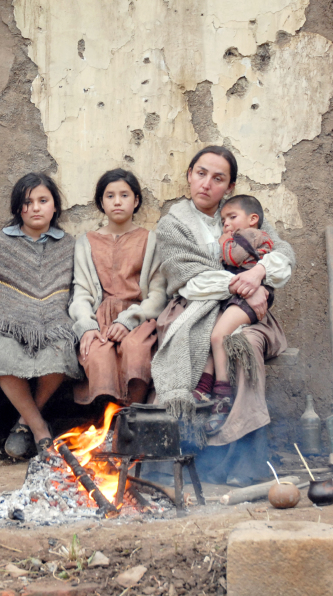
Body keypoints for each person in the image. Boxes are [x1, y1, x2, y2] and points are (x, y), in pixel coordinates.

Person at [150, 146, 295, 486]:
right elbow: (189, 279)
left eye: (218, 179)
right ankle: (190, 458)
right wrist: (242, 284)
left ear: (229, 186)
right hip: (193, 309)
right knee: (190, 345)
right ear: (189, 175)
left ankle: (243, 460)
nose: (206, 184)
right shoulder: (173, 225)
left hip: (246, 314)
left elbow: (283, 254)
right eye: (201, 174)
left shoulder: (241, 213)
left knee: (242, 345)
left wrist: (257, 273)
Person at [0, 173, 81, 459]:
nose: (36, 208)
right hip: (9, 324)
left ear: (55, 206)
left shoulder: (68, 245)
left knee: (61, 352)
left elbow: (72, 290)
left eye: (43, 200)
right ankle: (40, 428)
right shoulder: (1, 243)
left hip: (55, 322)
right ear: (18, 207)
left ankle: (23, 423)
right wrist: (10, 319)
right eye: (28, 202)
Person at [69, 169, 167, 405]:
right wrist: (86, 326)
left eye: (124, 195)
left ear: (136, 201)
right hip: (99, 319)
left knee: (135, 350)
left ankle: (134, 412)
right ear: (101, 202)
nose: (117, 202)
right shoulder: (85, 243)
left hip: (139, 318)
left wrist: (129, 320)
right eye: (110, 196)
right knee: (98, 354)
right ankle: (107, 417)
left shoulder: (150, 240)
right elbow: (81, 292)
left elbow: (158, 293)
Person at [197, 194, 275, 436]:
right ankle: (204, 384)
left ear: (253, 219)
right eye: (223, 221)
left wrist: (222, 242)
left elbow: (232, 257)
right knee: (210, 332)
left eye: (232, 217)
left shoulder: (252, 236)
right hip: (237, 297)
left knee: (218, 335)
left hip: (247, 299)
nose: (226, 224)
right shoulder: (240, 236)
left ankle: (222, 394)